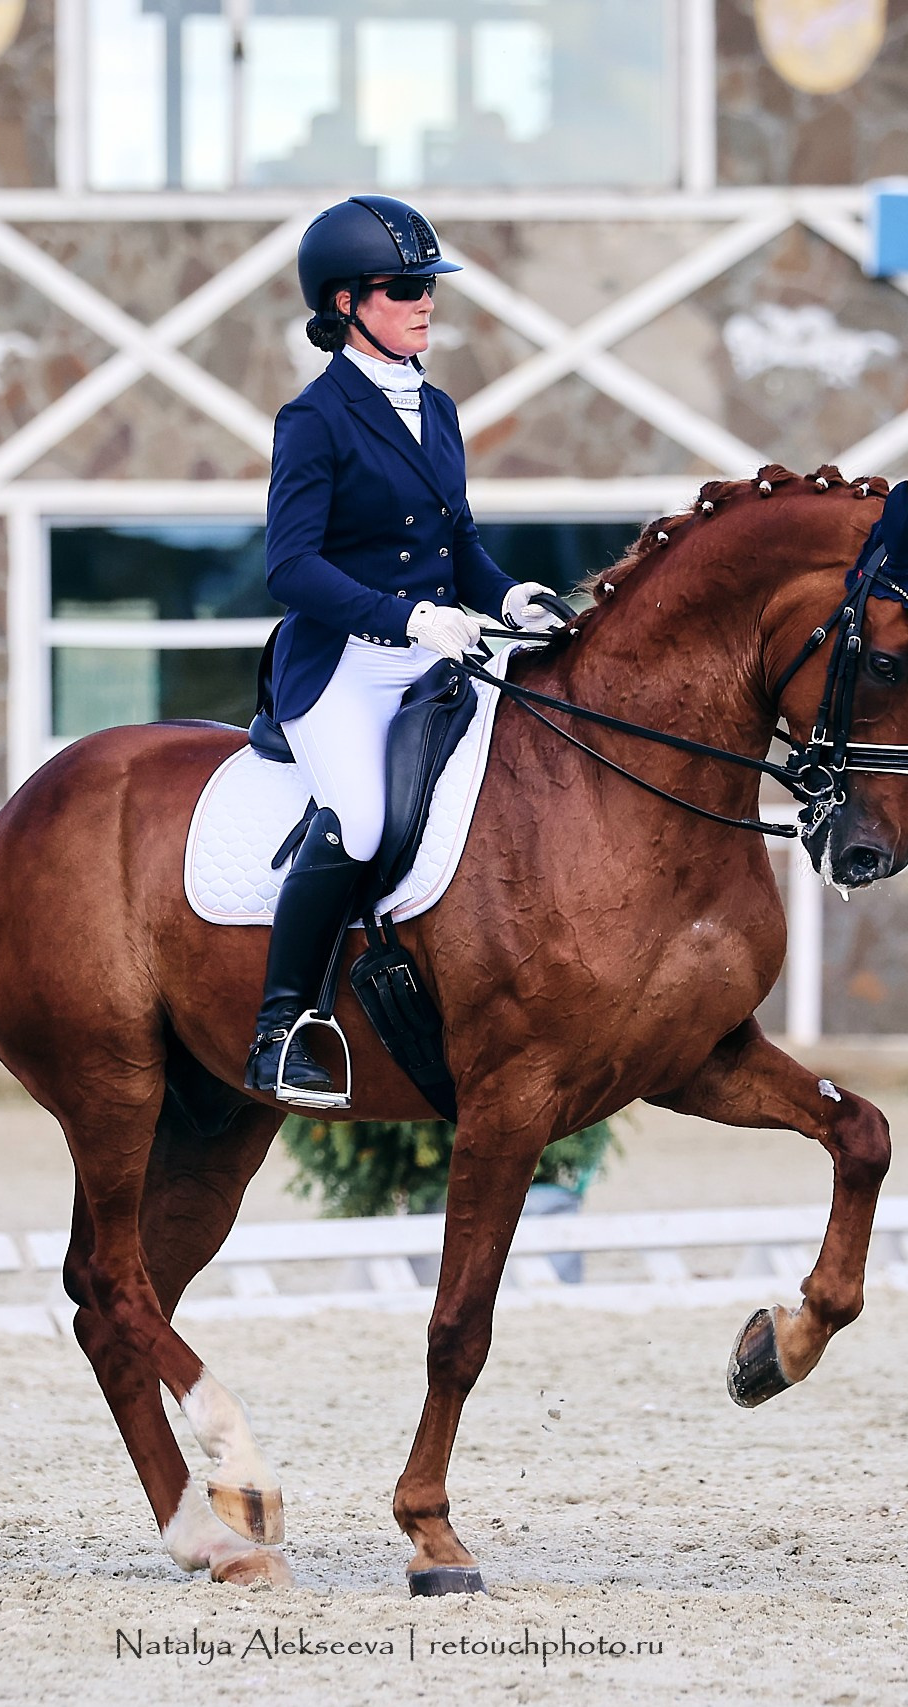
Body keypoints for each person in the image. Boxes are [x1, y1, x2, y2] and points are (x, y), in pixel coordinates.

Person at [244, 194, 564, 1106]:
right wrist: (406, 618)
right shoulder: (315, 418)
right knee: (364, 818)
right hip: (342, 664)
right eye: (402, 289)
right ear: (345, 303)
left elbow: (457, 545)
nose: (425, 302)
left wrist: (510, 595)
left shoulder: (440, 407)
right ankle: (280, 1027)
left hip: (434, 656)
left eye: (428, 286)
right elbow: (290, 566)